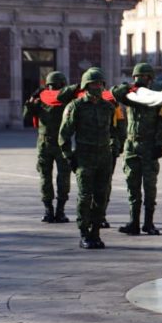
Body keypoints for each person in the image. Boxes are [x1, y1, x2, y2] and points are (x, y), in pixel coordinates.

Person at [58, 68, 118, 249]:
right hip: (85, 157)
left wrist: (115, 149)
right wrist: (69, 156)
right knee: (85, 196)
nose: (97, 87)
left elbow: (115, 131)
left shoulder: (108, 107)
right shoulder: (75, 107)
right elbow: (64, 135)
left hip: (104, 158)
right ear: (85, 86)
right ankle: (84, 232)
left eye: (100, 83)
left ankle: (96, 232)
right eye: (93, 83)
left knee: (102, 196)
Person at [111, 63, 162, 236]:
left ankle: (149, 223)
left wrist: (160, 144)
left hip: (149, 145)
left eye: (144, 77)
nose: (140, 80)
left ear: (150, 80)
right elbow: (115, 92)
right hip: (131, 146)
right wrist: (131, 87)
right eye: (137, 77)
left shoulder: (156, 98)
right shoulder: (131, 96)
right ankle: (134, 222)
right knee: (132, 185)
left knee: (149, 186)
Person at [23, 71, 72, 223]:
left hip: (44, 143)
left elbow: (25, 118)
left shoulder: (39, 101)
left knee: (45, 177)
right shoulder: (66, 101)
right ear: (63, 84)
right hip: (62, 144)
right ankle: (60, 211)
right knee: (63, 177)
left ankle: (48, 211)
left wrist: (31, 102)